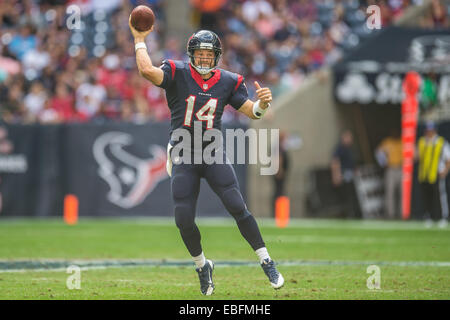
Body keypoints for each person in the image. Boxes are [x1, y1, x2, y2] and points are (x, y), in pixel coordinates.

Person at [129, 20, 284, 295]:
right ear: (191, 55)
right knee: (183, 219)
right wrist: (140, 39)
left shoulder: (228, 80)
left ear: (216, 56)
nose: (203, 58)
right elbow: (146, 70)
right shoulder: (177, 71)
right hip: (182, 151)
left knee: (237, 206)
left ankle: (266, 260)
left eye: (208, 54)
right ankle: (202, 266)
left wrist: (262, 103)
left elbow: (252, 112)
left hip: (212, 151)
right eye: (199, 53)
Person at [416, 121, 450, 228]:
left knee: (440, 197)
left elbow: (448, 159)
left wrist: (445, 171)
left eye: (431, 130)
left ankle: (443, 217)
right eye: (427, 130)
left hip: (436, 173)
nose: (429, 133)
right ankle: (428, 217)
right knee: (426, 197)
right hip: (424, 174)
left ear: (435, 130)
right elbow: (417, 156)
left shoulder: (441, 142)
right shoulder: (422, 142)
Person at [331, 130, 360, 218]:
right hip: (345, 175)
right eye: (348, 137)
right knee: (346, 195)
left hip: (350, 174)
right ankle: (347, 214)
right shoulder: (340, 148)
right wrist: (336, 175)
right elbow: (335, 162)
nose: (350, 139)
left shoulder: (350, 148)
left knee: (352, 195)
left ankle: (353, 213)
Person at [375, 129, 403, 219]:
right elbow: (378, 153)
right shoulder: (387, 142)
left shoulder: (402, 142)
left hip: (401, 168)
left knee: (402, 192)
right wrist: (383, 163)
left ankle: (402, 213)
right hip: (391, 169)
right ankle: (391, 214)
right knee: (390, 192)